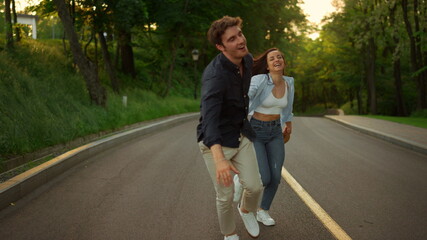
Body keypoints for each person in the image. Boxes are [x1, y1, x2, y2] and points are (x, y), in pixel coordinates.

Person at [197, 16, 263, 240]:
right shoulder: (215, 77)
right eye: (232, 39)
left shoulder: (246, 60)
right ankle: (229, 233)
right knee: (224, 196)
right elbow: (209, 121)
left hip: (240, 133)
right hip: (216, 142)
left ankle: (245, 210)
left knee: (255, 187)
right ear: (220, 46)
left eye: (240, 35)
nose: (240, 41)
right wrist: (220, 161)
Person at [234, 48, 295, 226]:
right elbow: (246, 95)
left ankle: (263, 211)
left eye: (279, 57)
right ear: (267, 66)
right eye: (272, 58)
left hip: (275, 131)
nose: (277, 59)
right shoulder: (260, 80)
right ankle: (241, 185)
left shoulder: (289, 82)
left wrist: (288, 124)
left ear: (283, 62)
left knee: (275, 177)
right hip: (256, 130)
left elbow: (288, 106)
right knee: (264, 177)